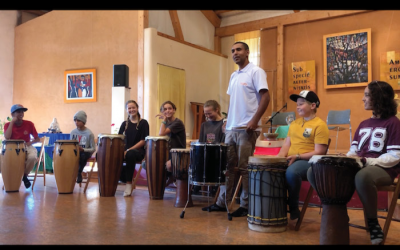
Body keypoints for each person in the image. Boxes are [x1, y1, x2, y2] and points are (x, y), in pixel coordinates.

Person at [308, 80, 400, 245]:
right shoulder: (364, 124)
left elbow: (395, 155)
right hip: (361, 165)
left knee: (362, 177)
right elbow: (354, 150)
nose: (363, 99)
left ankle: (373, 223)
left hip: (383, 169)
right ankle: (337, 209)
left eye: (366, 95)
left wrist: (366, 161)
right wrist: (348, 158)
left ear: (378, 98)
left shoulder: (393, 123)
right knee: (312, 171)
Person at [222, 41, 271, 217]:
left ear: (247, 52)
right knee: (227, 167)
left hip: (246, 129)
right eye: (232, 50)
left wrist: (255, 120)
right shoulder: (234, 75)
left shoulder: (256, 72)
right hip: (231, 128)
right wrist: (227, 121)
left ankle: (245, 205)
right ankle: (224, 202)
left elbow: (265, 97)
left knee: (244, 168)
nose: (235, 53)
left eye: (239, 49)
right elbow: (234, 102)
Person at [276, 90, 329, 220]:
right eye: (297, 104)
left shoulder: (320, 125)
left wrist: (298, 156)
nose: (298, 107)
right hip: (292, 159)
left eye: (301, 104)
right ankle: (276, 206)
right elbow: (286, 146)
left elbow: (320, 152)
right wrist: (276, 160)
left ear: (312, 106)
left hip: (309, 161)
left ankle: (293, 206)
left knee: (291, 172)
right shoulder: (294, 124)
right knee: (272, 170)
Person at [197, 100, 228, 212]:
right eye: (205, 113)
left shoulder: (223, 124)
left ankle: (221, 201)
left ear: (217, 110)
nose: (207, 116)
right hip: (207, 156)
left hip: (219, 157)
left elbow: (225, 143)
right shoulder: (204, 125)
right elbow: (201, 142)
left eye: (209, 113)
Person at [4, 104, 40, 189]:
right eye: (18, 112)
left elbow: (37, 139)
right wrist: (12, 122)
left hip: (26, 146)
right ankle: (17, 179)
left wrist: (29, 143)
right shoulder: (7, 125)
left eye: (22, 112)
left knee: (32, 157)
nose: (21, 113)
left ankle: (24, 175)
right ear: (12, 114)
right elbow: (7, 137)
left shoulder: (29, 124)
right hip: (12, 148)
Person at [118, 100, 149, 197]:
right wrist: (123, 150)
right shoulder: (124, 124)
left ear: (137, 108)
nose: (132, 110)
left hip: (138, 152)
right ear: (126, 110)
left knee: (130, 154)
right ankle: (114, 180)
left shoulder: (144, 123)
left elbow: (143, 141)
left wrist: (127, 150)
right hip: (125, 152)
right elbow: (119, 139)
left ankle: (128, 184)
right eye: (129, 108)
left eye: (133, 107)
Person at [156, 100, 186, 187]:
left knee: (168, 165)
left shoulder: (177, 122)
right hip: (169, 152)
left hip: (179, 152)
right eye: (165, 109)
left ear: (174, 110)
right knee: (148, 163)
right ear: (162, 111)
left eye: (170, 108)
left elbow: (161, 133)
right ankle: (165, 181)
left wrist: (164, 120)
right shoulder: (167, 123)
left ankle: (173, 178)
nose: (167, 111)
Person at [70, 110, 96, 184]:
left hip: (85, 152)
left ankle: (79, 172)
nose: (76, 122)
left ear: (83, 121)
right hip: (75, 152)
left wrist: (83, 149)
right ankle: (67, 177)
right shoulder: (73, 132)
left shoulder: (89, 133)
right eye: (75, 120)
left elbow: (93, 149)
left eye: (78, 120)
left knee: (82, 156)